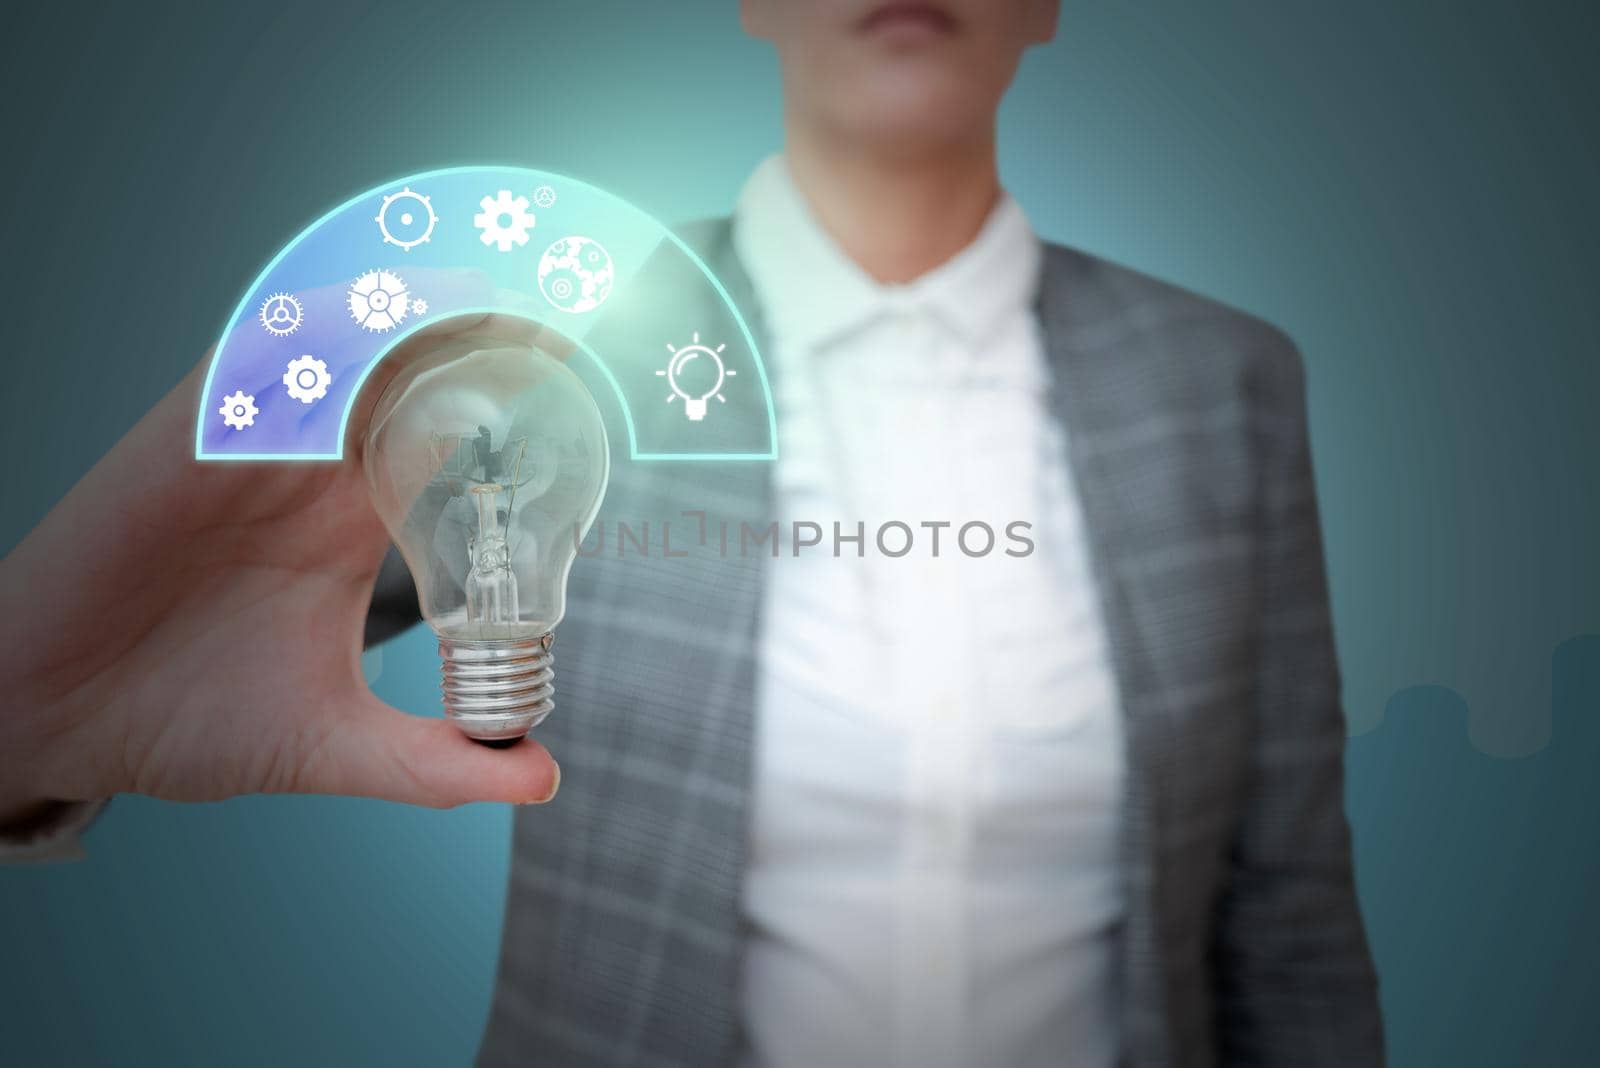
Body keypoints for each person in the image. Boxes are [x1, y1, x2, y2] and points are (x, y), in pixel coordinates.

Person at [0, 1, 1384, 1065]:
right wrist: (24, 710)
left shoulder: (1223, 381)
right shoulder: (556, 340)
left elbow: (1287, 899)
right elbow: (231, 619)